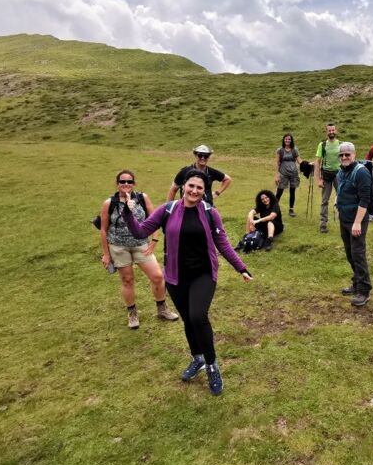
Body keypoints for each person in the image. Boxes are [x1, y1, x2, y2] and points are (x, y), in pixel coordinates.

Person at [123, 169, 252, 395]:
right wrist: (127, 211)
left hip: (203, 274)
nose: (194, 190)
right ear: (184, 186)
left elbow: (223, 243)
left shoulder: (211, 213)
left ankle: (212, 365)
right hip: (175, 277)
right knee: (187, 320)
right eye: (191, 186)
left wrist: (240, 267)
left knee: (197, 316)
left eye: (199, 188)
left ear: (204, 191)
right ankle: (197, 358)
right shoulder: (168, 210)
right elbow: (140, 231)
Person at [99, 170, 179, 328]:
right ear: (117, 184)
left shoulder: (142, 198)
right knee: (127, 280)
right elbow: (103, 229)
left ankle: (162, 308)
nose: (126, 184)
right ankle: (132, 313)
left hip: (141, 244)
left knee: (157, 277)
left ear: (134, 184)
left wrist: (154, 240)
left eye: (129, 182)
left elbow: (155, 218)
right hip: (119, 247)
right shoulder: (110, 203)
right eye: (122, 181)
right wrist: (106, 254)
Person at [335, 142, 372, 307]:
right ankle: (357, 282)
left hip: (357, 221)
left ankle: (364, 290)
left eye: (347, 154)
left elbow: (365, 200)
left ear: (354, 155)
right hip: (344, 218)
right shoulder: (341, 172)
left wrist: (357, 223)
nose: (344, 157)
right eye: (341, 155)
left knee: (358, 254)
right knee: (350, 253)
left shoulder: (362, 173)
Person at [315, 123, 341, 233]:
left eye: (333, 130)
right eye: (329, 130)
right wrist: (318, 179)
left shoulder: (341, 144)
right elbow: (317, 162)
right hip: (326, 175)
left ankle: (344, 221)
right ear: (326, 132)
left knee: (342, 198)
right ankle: (323, 224)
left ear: (336, 131)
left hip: (339, 174)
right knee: (325, 200)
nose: (331, 132)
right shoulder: (322, 145)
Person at [274, 134, 300, 217]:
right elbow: (277, 163)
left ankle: (291, 209)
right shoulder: (280, 150)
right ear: (283, 140)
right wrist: (277, 175)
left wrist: (307, 164)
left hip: (294, 173)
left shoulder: (294, 150)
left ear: (291, 140)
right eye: (286, 139)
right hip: (283, 173)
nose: (287, 140)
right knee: (279, 191)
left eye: (289, 139)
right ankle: (274, 208)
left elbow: (299, 160)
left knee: (292, 192)